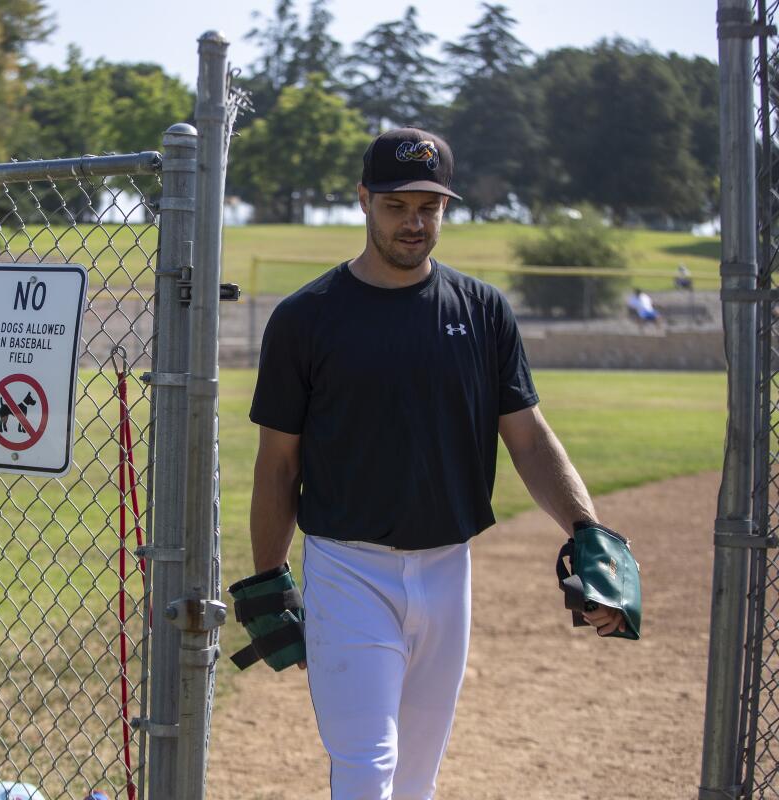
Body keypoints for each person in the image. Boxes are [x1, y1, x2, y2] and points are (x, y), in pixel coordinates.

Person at [245, 128, 629, 799]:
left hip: (449, 569)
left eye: (429, 206)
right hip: (348, 570)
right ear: (364, 200)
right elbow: (278, 464)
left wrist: (586, 528)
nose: (414, 223)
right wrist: (268, 578)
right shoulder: (307, 318)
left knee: (417, 780)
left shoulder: (482, 311)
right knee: (367, 770)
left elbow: (529, 437)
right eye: (396, 205)